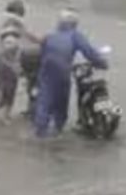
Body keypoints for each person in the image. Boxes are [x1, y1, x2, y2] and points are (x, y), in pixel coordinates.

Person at [33, 8, 107, 138]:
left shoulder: (50, 35)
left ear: (59, 22)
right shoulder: (75, 36)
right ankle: (58, 130)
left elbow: (42, 53)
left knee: (44, 101)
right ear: (74, 24)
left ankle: (40, 133)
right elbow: (89, 52)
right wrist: (102, 63)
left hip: (46, 72)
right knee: (60, 103)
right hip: (62, 72)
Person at [0, 0, 41, 117]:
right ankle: (3, 118)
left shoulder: (0, 22)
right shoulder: (14, 25)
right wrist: (42, 42)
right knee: (8, 94)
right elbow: (27, 37)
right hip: (6, 65)